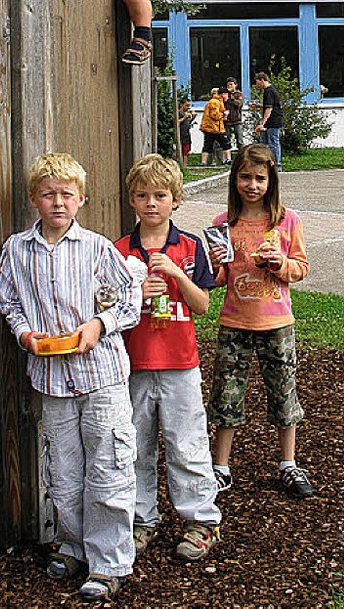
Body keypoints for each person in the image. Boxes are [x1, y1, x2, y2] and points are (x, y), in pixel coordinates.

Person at [0, 153, 141, 602]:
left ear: (81, 198)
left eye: (66, 194)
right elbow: (8, 301)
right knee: (63, 470)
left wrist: (98, 326)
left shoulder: (97, 248)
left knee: (109, 466)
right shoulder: (17, 250)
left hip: (101, 376)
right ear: (33, 199)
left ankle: (109, 562)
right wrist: (25, 335)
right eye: (48, 194)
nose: (57, 202)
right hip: (52, 380)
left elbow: (128, 301)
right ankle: (74, 545)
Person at [115, 154, 221, 562]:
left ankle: (201, 521)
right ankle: (142, 519)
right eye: (142, 196)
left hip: (180, 364)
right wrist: (135, 295)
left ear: (175, 200)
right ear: (132, 201)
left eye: (160, 195)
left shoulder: (191, 247)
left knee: (187, 443)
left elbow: (203, 306)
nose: (151, 203)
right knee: (136, 446)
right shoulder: (119, 249)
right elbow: (108, 307)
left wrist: (177, 276)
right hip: (135, 365)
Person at [206, 143, 313, 499]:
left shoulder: (287, 221)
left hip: (276, 323)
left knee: (283, 393)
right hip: (234, 322)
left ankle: (288, 463)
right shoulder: (223, 224)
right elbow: (218, 279)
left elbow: (300, 268)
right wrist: (214, 262)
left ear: (272, 181)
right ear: (234, 177)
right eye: (245, 177)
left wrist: (279, 263)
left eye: (260, 178)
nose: (252, 185)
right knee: (226, 394)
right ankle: (220, 468)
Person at [255, 71, 284, 171]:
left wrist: (262, 123)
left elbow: (269, 108)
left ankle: (277, 165)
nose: (257, 85)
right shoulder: (269, 90)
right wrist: (259, 106)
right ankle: (263, 163)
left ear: (262, 80)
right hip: (269, 121)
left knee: (273, 143)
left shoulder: (269, 91)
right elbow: (269, 105)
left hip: (273, 120)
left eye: (257, 82)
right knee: (263, 143)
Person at [199, 87, 231, 166]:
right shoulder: (215, 102)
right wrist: (224, 114)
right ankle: (228, 159)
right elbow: (214, 115)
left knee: (207, 145)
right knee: (225, 143)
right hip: (214, 128)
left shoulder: (217, 101)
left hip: (213, 127)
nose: (228, 97)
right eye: (227, 95)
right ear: (223, 94)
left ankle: (204, 162)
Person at [225, 77, 245, 153]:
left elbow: (239, 104)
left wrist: (232, 97)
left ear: (235, 85)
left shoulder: (239, 94)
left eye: (231, 84)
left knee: (240, 141)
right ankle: (227, 158)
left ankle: (242, 156)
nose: (229, 86)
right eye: (228, 85)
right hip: (227, 120)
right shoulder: (225, 95)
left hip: (237, 120)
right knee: (227, 140)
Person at [178, 99, 196, 166]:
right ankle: (181, 165)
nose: (188, 107)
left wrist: (193, 118)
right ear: (181, 105)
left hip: (186, 135)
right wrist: (184, 117)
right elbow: (177, 122)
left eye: (189, 105)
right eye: (187, 105)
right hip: (180, 135)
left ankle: (185, 165)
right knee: (180, 151)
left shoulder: (186, 113)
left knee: (186, 151)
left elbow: (187, 123)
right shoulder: (179, 113)